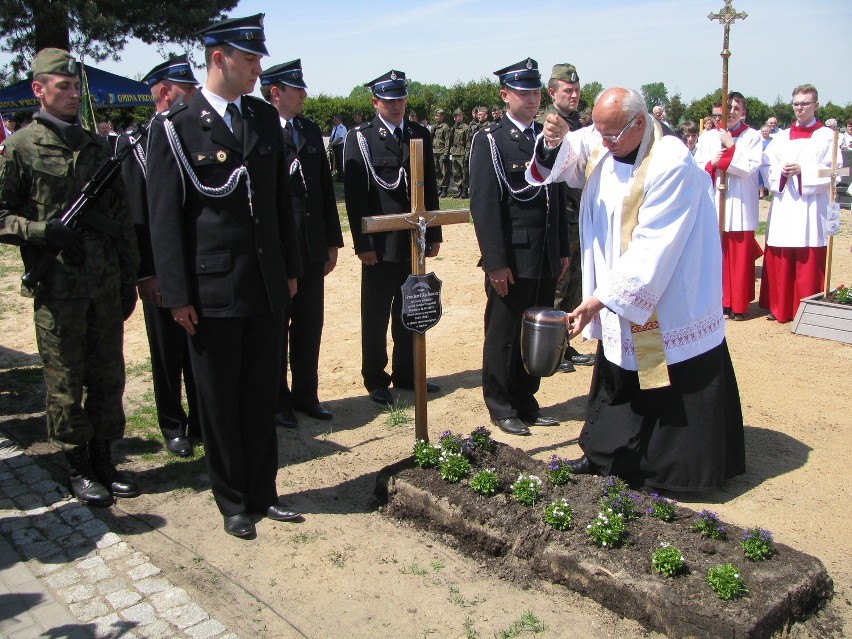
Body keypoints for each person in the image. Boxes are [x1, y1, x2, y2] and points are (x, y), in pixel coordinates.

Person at [527, 87, 745, 492]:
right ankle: (608, 452)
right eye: (599, 132)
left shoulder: (670, 162)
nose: (603, 142)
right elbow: (558, 164)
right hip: (617, 282)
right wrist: (552, 141)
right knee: (619, 364)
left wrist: (599, 299)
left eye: (611, 135)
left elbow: (653, 247)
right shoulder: (603, 137)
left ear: (640, 122)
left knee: (656, 366)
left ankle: (668, 469)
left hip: (665, 285)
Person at [144, 14, 304, 539]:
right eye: (251, 58)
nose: (259, 68)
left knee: (261, 391)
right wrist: (177, 294)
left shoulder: (260, 118)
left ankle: (264, 490)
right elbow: (166, 219)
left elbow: (281, 203)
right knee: (217, 397)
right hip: (210, 288)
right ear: (220, 58)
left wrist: (290, 269)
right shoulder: (175, 127)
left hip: (264, 283)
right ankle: (232, 498)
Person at [0, 48, 141, 506]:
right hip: (58, 288)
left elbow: (121, 219)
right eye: (64, 87)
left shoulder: (98, 146)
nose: (73, 93)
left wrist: (127, 278)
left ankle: (105, 458)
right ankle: (78, 466)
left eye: (76, 86)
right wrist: (41, 231)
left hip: (103, 286)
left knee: (108, 377)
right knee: (65, 381)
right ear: (39, 89)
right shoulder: (20, 148)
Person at [469, 58, 569, 436]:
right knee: (504, 331)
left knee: (535, 332)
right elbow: (485, 206)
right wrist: (495, 262)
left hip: (543, 253)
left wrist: (560, 248)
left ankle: (526, 399)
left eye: (536, 91)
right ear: (504, 94)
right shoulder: (491, 140)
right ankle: (500, 403)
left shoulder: (544, 139)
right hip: (512, 255)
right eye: (523, 92)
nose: (531, 98)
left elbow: (555, 196)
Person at [342, 69, 442, 406]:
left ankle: (406, 373)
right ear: (375, 102)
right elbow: (356, 197)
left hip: (412, 242)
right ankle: (375, 377)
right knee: (376, 313)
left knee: (410, 308)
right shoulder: (361, 138)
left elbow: (429, 185)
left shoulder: (418, 134)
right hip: (380, 246)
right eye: (389, 99)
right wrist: (363, 245)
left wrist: (435, 232)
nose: (397, 105)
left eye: (400, 98)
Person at [119, 55, 200, 459]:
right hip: (158, 269)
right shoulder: (136, 142)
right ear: (165, 93)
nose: (195, 98)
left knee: (199, 345)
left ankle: (203, 417)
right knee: (167, 351)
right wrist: (146, 273)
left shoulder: (197, 134)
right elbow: (137, 215)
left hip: (200, 265)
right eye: (187, 92)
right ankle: (173, 424)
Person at [260, 59, 344, 427]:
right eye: (297, 89)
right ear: (276, 92)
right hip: (279, 250)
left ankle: (306, 395)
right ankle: (277, 400)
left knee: (310, 324)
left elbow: (325, 190)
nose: (304, 94)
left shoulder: (309, 130)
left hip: (310, 248)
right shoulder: (258, 129)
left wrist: (332, 242)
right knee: (277, 328)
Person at [759, 84, 836, 323]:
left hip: (811, 206)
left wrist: (804, 171)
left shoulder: (827, 137)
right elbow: (766, 166)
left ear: (816, 105)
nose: (800, 108)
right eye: (796, 104)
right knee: (782, 252)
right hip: (785, 203)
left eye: (805, 103)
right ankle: (780, 307)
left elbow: (835, 172)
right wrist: (780, 173)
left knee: (808, 254)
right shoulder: (780, 138)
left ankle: (808, 308)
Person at [541, 63, 594, 373]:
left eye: (576, 90)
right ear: (552, 92)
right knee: (558, 284)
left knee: (576, 280)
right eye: (567, 90)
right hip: (561, 214)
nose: (574, 95)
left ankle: (565, 342)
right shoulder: (547, 123)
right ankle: (552, 347)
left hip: (580, 212)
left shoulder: (579, 124)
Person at [693, 91, 763, 321]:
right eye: (728, 107)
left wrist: (731, 147)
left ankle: (739, 304)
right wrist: (711, 164)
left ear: (743, 113)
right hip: (714, 201)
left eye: (736, 108)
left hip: (739, 202)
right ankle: (720, 301)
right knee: (717, 255)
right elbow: (695, 167)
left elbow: (748, 167)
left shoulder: (752, 136)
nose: (731, 112)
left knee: (739, 257)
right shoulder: (708, 137)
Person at [449, 108, 469, 198]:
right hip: (454, 152)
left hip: (462, 152)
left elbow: (468, 142)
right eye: (455, 116)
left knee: (464, 172)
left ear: (461, 116)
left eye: (458, 116)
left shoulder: (465, 128)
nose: (456, 118)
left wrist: (467, 154)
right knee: (456, 172)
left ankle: (465, 190)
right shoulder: (453, 128)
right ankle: (459, 189)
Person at [432, 108, 452, 197]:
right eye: (435, 115)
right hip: (435, 152)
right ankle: (439, 187)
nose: (436, 117)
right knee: (437, 171)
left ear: (442, 117)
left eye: (438, 115)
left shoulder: (445, 127)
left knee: (445, 171)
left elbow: (447, 141)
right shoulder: (434, 127)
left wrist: (446, 154)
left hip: (442, 152)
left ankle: (444, 189)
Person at [329, 114, 347, 181]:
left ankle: (342, 177)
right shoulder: (334, 128)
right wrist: (330, 142)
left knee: (340, 161)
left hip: (339, 146)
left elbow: (340, 138)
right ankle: (337, 176)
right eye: (334, 120)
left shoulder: (342, 128)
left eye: (335, 120)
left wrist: (333, 143)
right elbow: (332, 136)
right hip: (334, 146)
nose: (334, 121)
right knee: (334, 161)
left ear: (339, 120)